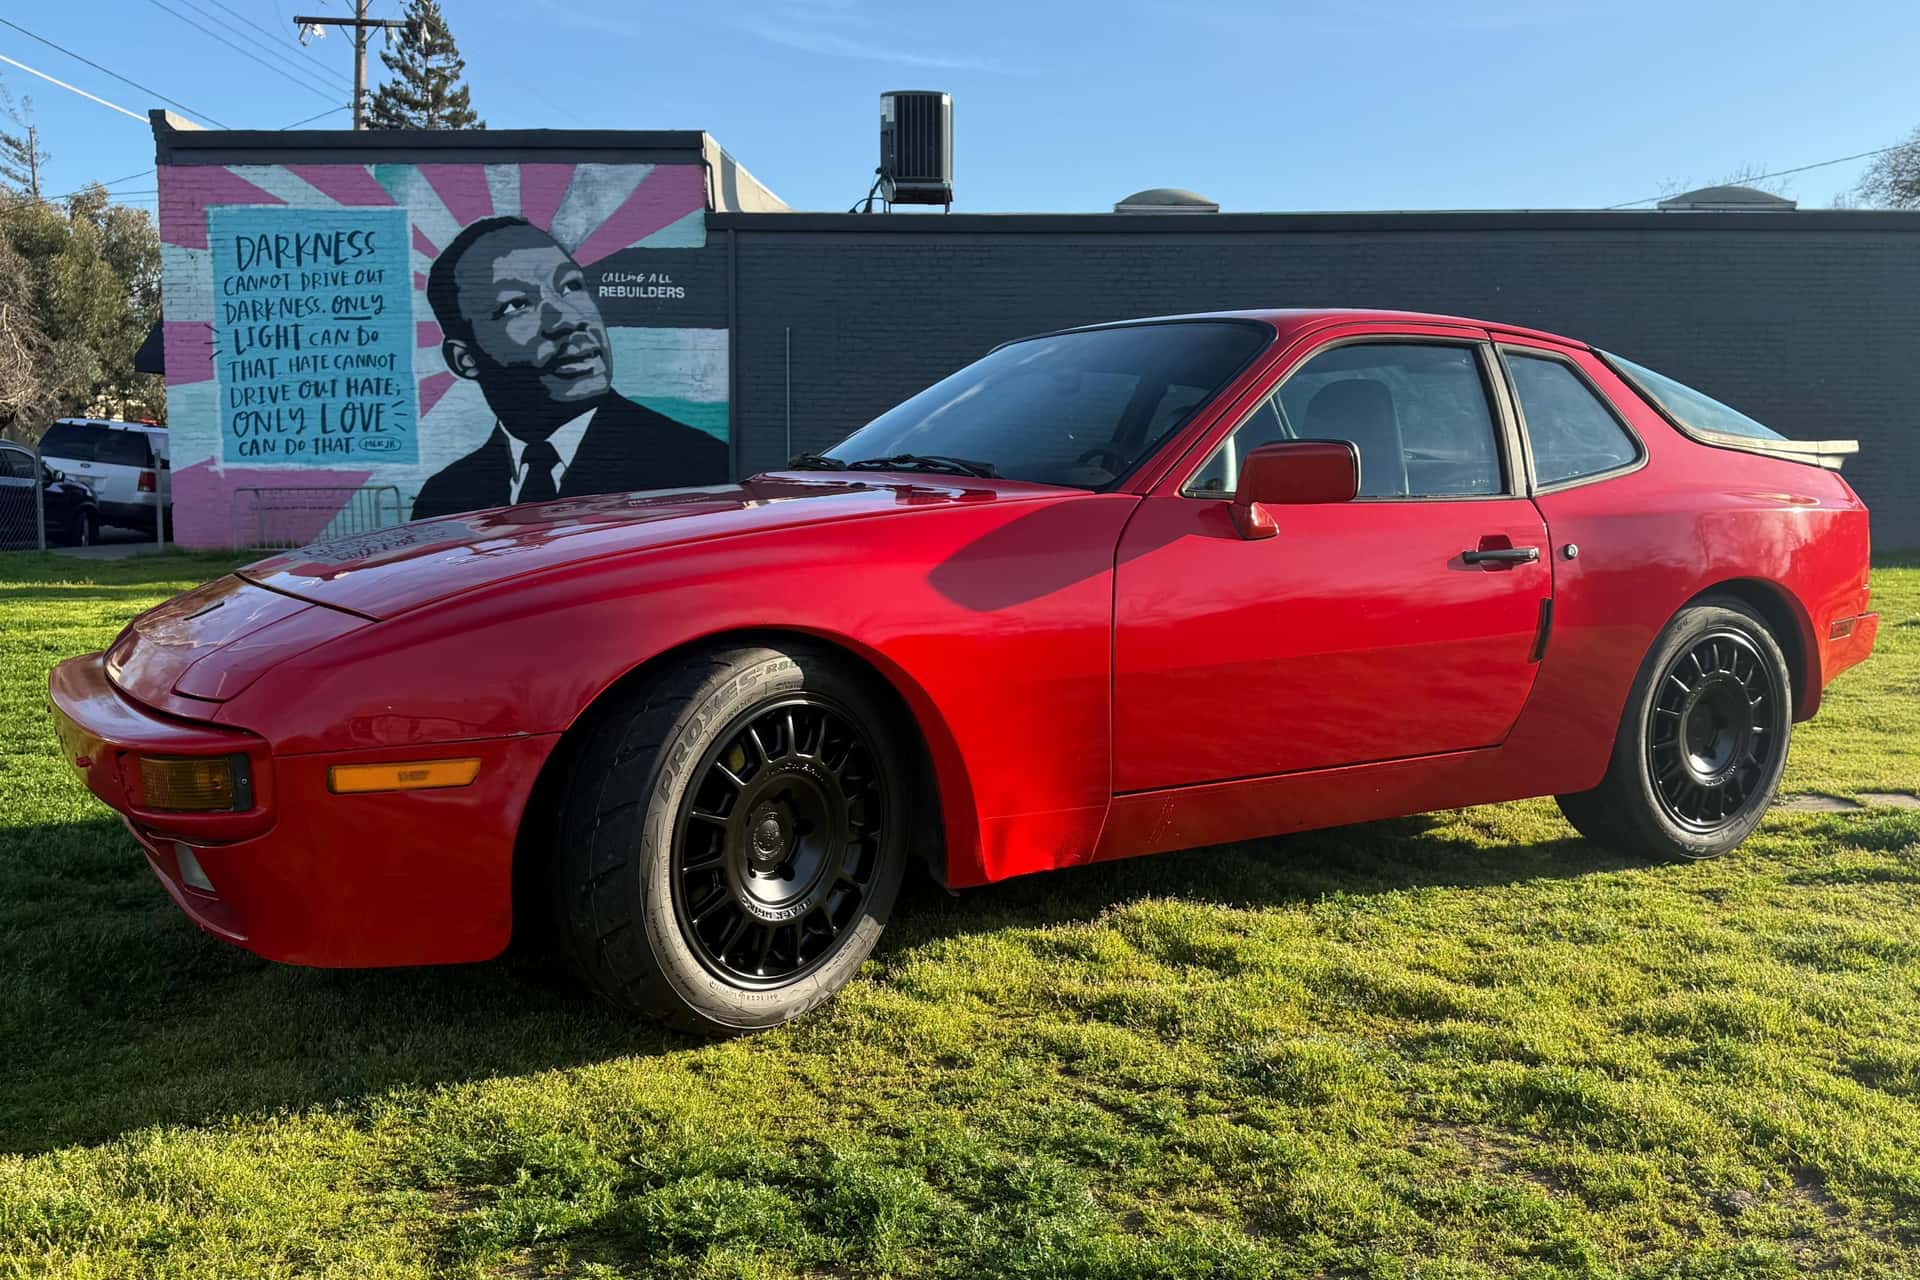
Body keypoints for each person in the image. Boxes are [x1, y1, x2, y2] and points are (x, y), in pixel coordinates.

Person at [411, 216, 726, 520]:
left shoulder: (696, 470)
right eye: (516, 305)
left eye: (570, 286)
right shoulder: (444, 499)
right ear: (464, 359)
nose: (568, 318)